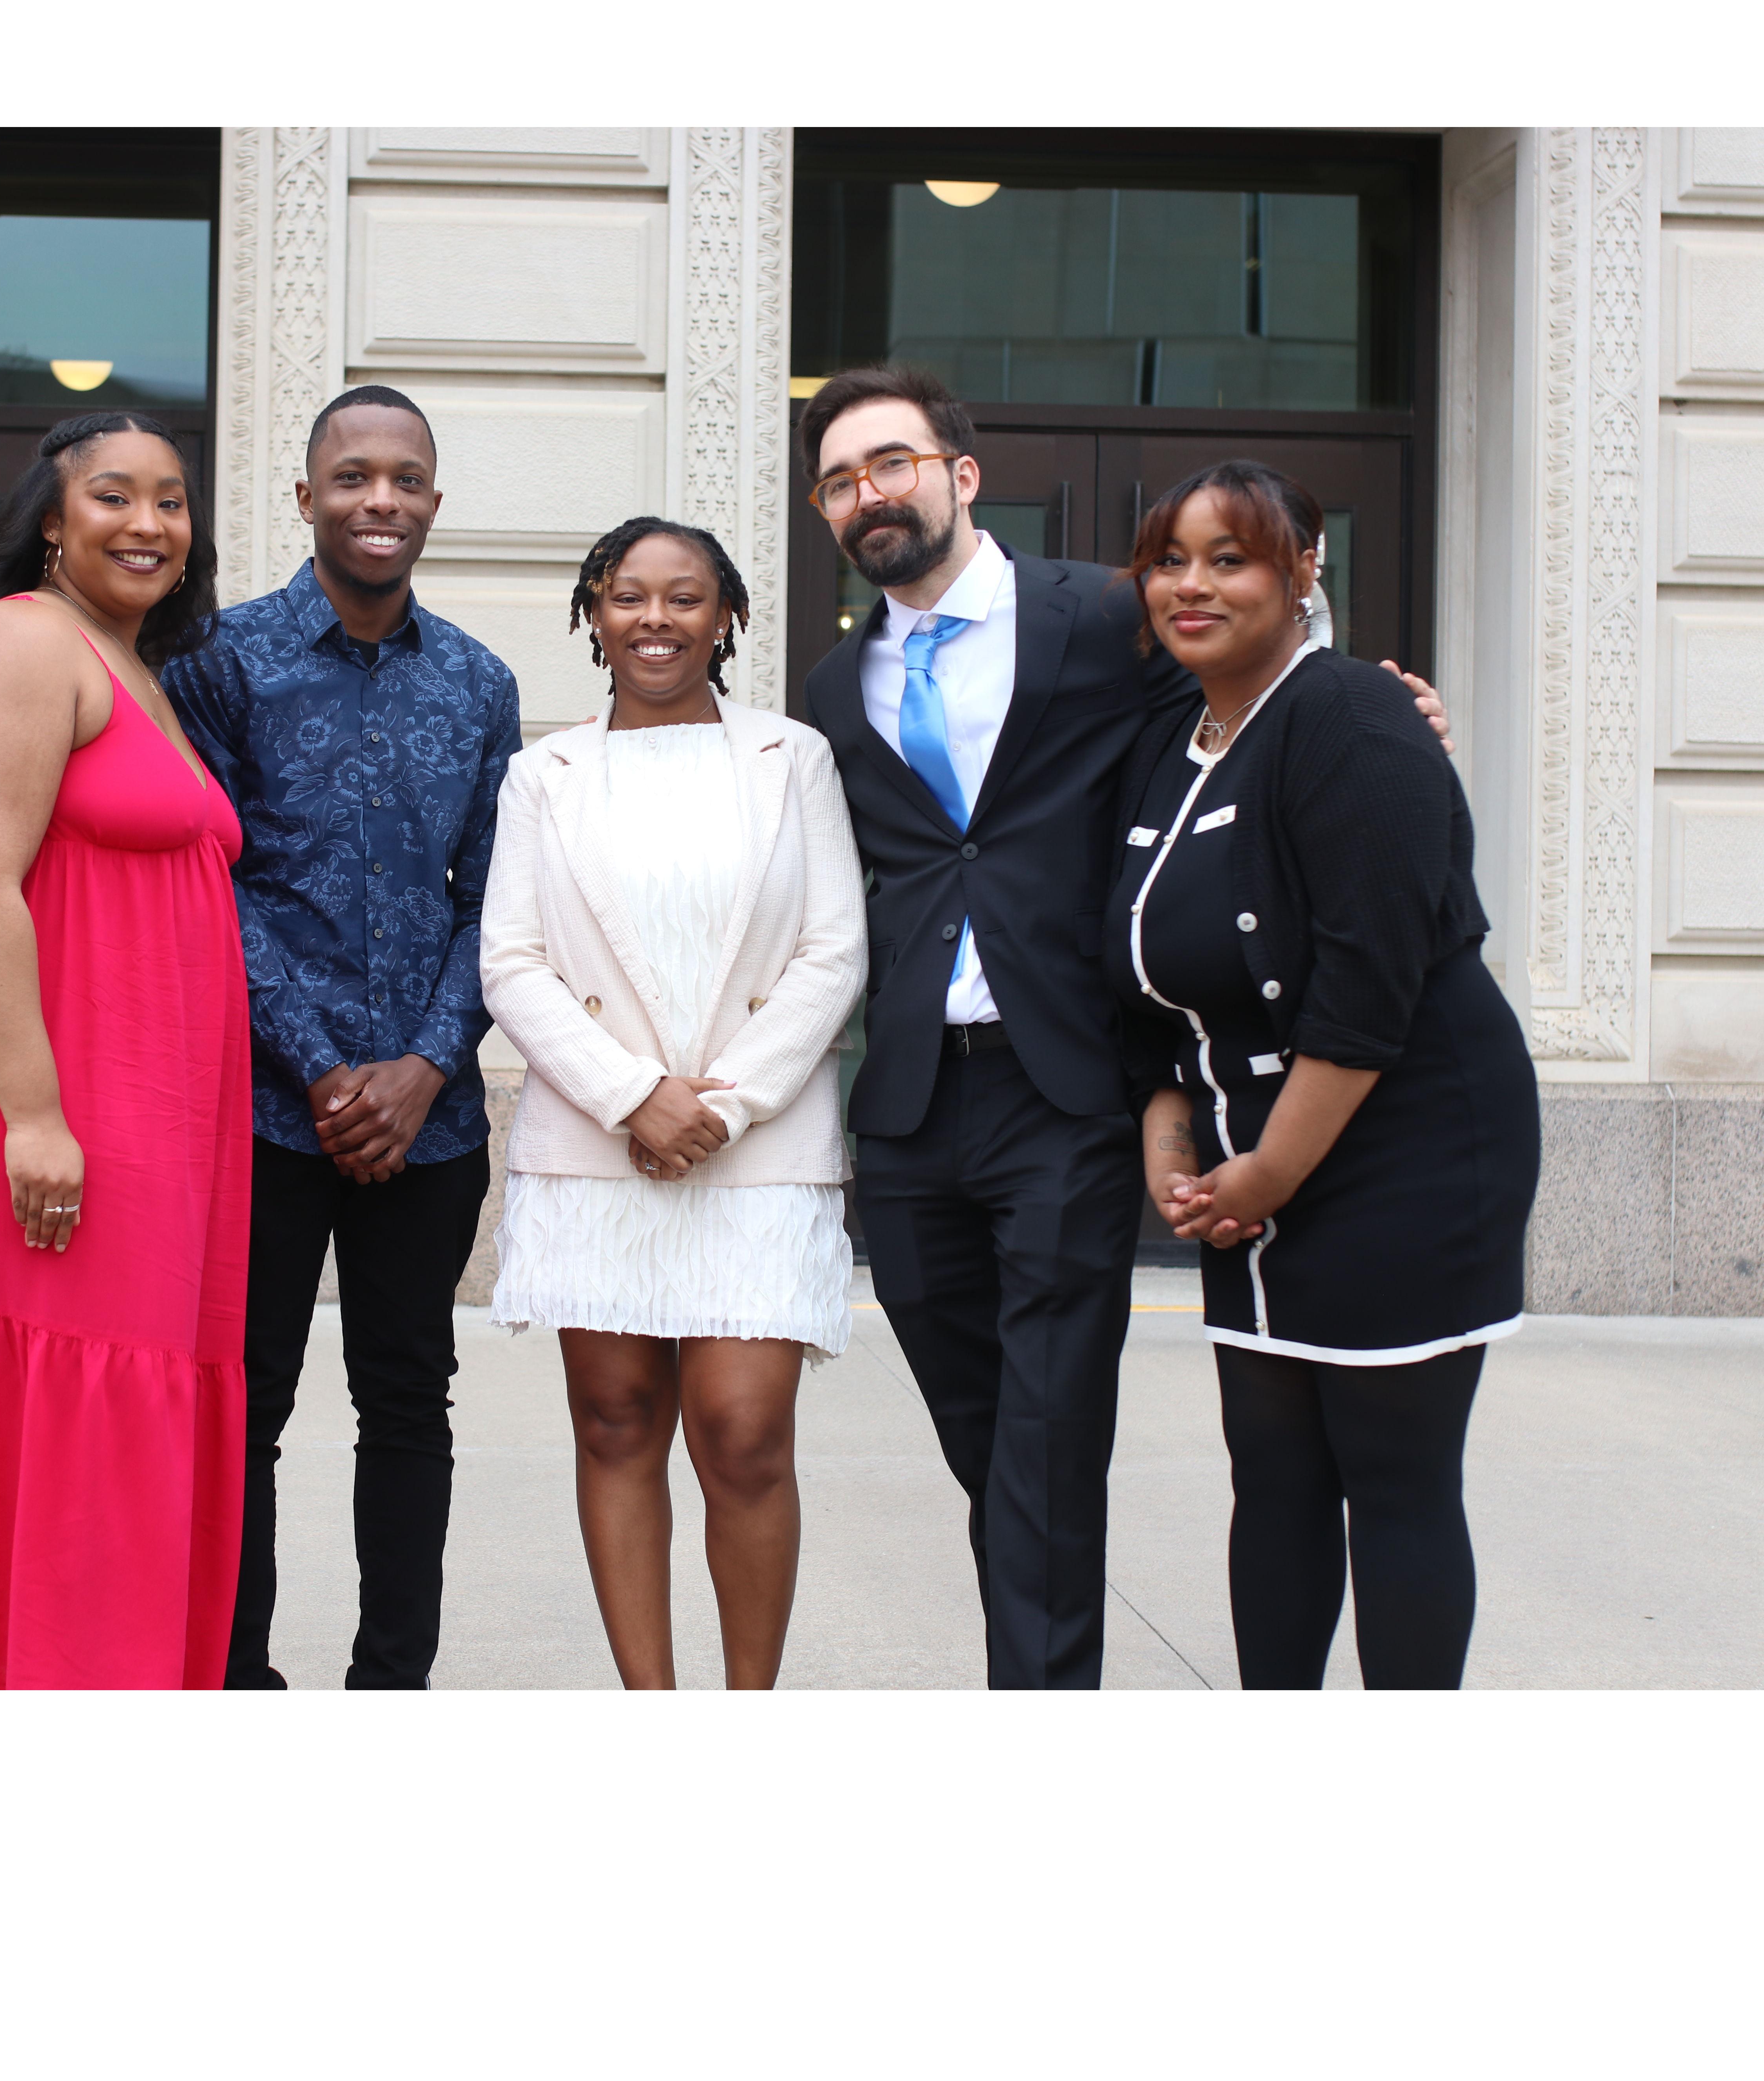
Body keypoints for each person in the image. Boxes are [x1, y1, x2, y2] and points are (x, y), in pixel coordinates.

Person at [796, 364, 1453, 1689]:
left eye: (891, 464)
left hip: (1065, 1088)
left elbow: (1248, 704)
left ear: (961, 475)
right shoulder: (831, 683)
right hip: (911, 1105)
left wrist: (1380, 708)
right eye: (839, 482)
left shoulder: (1108, 611)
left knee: (1046, 1441)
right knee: (989, 1442)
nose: (868, 495)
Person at [1112, 461, 1539, 1689]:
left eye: (1230, 559)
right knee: (1274, 1471)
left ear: (1304, 570)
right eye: (1169, 561)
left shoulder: (1353, 715)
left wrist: (1268, 1175)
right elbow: (1146, 979)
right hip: (1252, 1161)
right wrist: (1173, 1145)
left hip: (1403, 1146)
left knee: (1393, 1475)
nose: (1191, 586)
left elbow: (1368, 989)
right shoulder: (1172, 743)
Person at [0, 411, 247, 1690]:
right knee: (65, 1408)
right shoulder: (21, 641)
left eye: (172, 501)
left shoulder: (130, 664)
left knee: (123, 1413)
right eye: (114, 496)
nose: (150, 523)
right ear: (49, 519)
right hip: (49, 1101)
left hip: (145, 1112)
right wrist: (34, 1117)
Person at [164, 385, 520, 1691]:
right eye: (355, 476)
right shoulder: (220, 664)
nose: (383, 500)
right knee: (245, 1405)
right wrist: (321, 1072)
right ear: (306, 496)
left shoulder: (480, 683)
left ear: (434, 501)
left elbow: (499, 903)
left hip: (433, 1122)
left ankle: (391, 1686)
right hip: (263, 1111)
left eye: (406, 479)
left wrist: (424, 1069)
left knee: (410, 1402)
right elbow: (211, 885)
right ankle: (236, 1683)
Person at [481, 519, 864, 1690]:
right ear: (595, 615)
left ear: (728, 616)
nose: (656, 619)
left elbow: (834, 952)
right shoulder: (545, 774)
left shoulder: (793, 758)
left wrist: (721, 1109)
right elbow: (512, 962)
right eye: (629, 596)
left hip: (761, 1144)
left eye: (685, 597)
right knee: (614, 1423)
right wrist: (635, 1096)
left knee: (744, 1433)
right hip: (599, 1144)